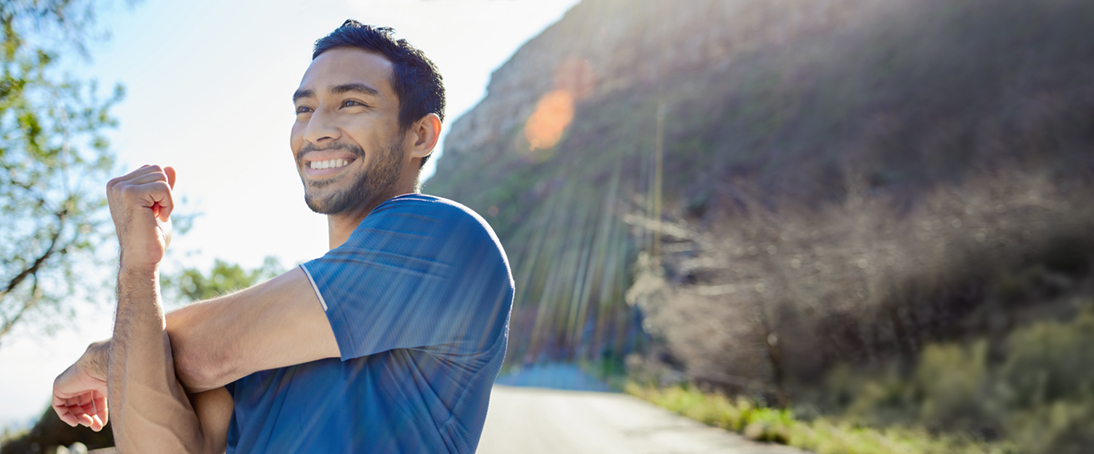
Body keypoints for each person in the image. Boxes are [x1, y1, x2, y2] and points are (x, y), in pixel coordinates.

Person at [50, 20, 513, 454]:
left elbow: (206, 352)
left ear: (421, 135)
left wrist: (99, 359)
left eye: (351, 102)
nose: (315, 130)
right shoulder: (272, 341)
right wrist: (137, 267)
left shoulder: (445, 238)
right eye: (304, 109)